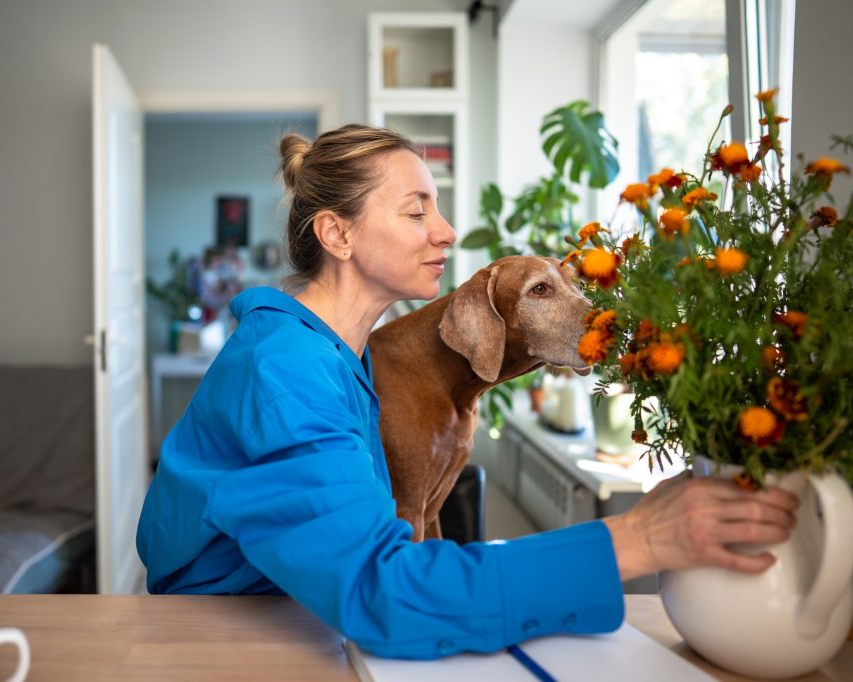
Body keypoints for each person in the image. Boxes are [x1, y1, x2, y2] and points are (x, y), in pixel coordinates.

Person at [136, 124, 799, 659]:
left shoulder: (342, 354)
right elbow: (379, 589)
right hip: (216, 642)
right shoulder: (286, 370)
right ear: (337, 234)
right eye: (416, 209)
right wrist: (638, 541)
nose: (447, 231)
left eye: (439, 207)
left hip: (292, 616)